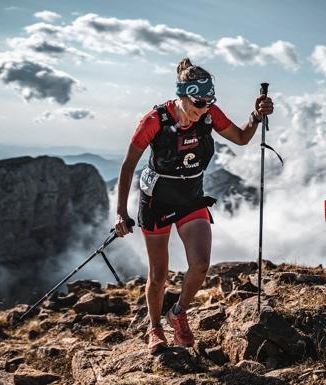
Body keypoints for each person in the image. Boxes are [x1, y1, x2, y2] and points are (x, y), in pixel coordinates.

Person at [113, 57, 273, 354]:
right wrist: (121, 212)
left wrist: (255, 116)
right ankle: (154, 327)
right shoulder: (154, 121)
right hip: (156, 200)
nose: (203, 109)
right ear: (182, 95)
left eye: (208, 102)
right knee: (158, 276)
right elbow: (128, 165)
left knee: (199, 265)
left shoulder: (209, 114)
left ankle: (178, 313)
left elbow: (240, 138)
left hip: (190, 197)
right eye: (198, 102)